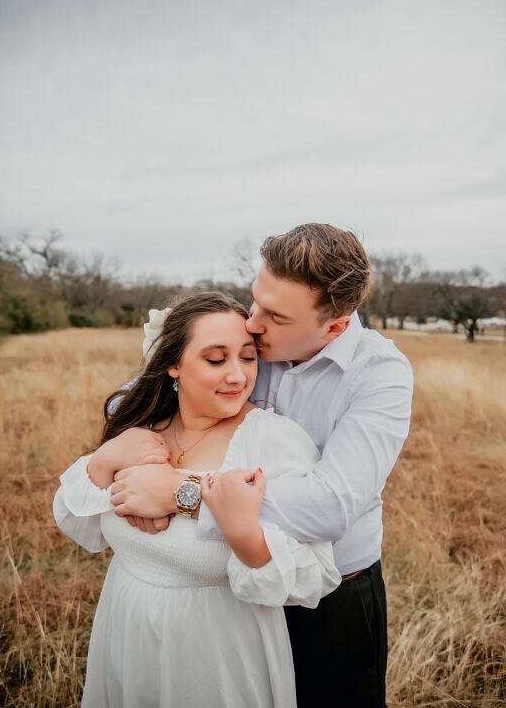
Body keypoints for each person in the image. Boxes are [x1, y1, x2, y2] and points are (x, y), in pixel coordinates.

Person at [108, 224, 413, 708]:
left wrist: (179, 493)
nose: (252, 323)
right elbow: (134, 397)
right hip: (234, 600)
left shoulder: (381, 375)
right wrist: (139, 449)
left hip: (329, 601)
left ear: (334, 326)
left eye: (274, 315)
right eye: (255, 300)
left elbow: (330, 506)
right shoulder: (253, 342)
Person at [56, 291, 340, 707]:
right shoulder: (142, 430)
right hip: (125, 631)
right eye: (215, 359)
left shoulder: (273, 441)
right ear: (174, 364)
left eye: (247, 357)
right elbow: (81, 527)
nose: (239, 376)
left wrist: (242, 533)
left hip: (218, 654)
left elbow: (317, 573)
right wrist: (104, 461)